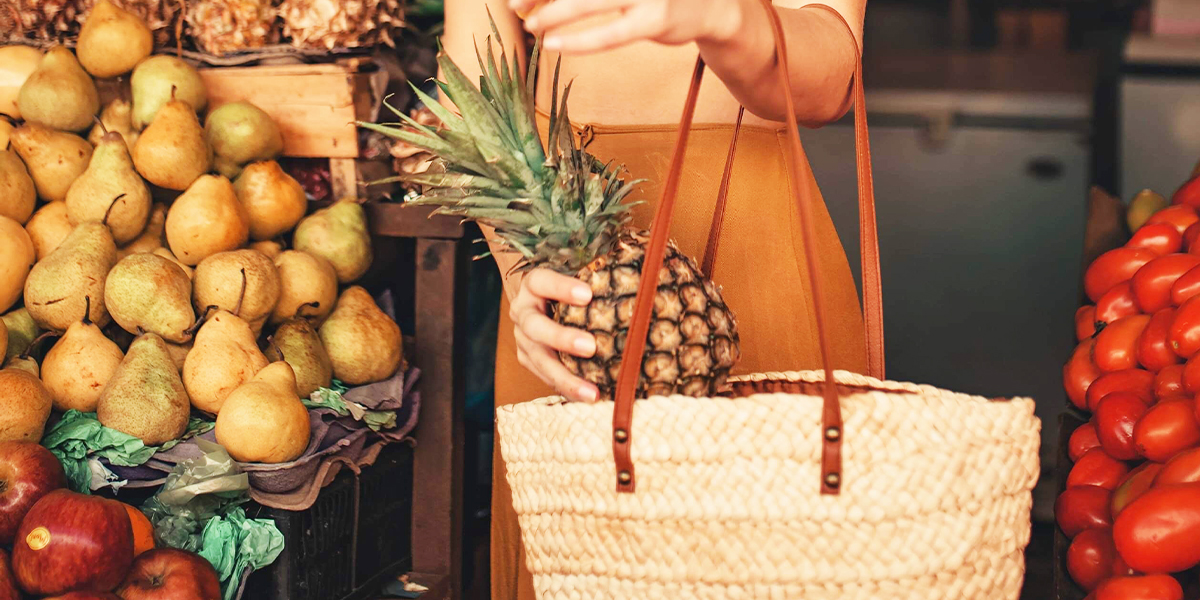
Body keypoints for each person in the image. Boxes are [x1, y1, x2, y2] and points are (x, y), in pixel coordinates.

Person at [442, 0, 869, 597]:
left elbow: (831, 77)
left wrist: (722, 15)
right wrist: (529, 283)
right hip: (561, 271)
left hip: (749, 252)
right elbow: (474, 95)